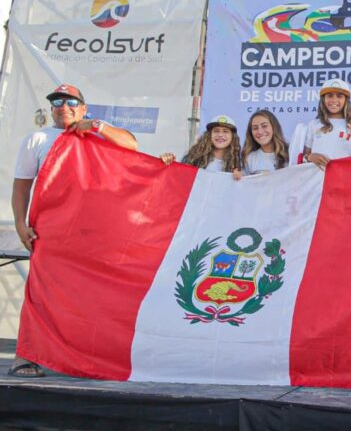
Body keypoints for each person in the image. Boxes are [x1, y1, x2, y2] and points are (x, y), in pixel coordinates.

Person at [10, 83, 138, 377]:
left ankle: (90, 360)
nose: (63, 107)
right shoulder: (37, 138)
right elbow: (21, 185)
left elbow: (132, 146)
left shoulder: (96, 133)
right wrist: (20, 223)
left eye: (70, 102)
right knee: (40, 292)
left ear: (83, 108)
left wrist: (96, 126)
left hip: (93, 232)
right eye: (57, 102)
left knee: (93, 295)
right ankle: (25, 356)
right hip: (51, 231)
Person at [303, 79, 351, 170]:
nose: (334, 100)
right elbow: (304, 157)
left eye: (339, 96)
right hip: (317, 181)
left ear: (346, 100)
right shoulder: (314, 124)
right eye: (330, 96)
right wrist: (309, 157)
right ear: (323, 99)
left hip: (344, 180)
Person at [160, 115, 243, 174]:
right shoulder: (192, 159)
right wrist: (168, 163)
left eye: (225, 131)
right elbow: (177, 178)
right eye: (216, 131)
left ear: (233, 137)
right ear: (209, 135)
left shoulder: (240, 164)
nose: (220, 135)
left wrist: (240, 178)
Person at [242, 110, 289, 174]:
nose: (260, 132)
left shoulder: (290, 152)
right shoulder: (249, 158)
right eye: (255, 128)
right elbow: (243, 183)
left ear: (274, 127)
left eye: (264, 126)